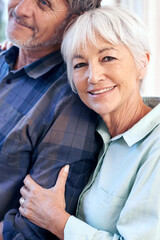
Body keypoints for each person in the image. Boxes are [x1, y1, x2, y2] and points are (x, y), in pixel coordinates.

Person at [18, 5, 160, 240]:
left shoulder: (155, 147)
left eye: (108, 58)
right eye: (80, 64)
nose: (93, 76)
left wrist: (57, 221)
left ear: (142, 63)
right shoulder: (89, 129)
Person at [0, 0, 102, 240]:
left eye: (44, 3)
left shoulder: (72, 101)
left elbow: (32, 231)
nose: (20, 9)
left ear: (73, 21)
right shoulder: (6, 56)